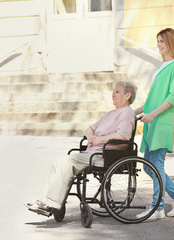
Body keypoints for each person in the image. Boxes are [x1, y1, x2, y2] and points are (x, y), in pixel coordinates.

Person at [25, 81, 137, 215]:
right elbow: (89, 129)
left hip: (105, 156)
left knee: (68, 161)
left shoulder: (126, 113)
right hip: (93, 153)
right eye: (113, 91)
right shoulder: (111, 113)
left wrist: (99, 140)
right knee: (58, 161)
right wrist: (90, 138)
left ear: (127, 95)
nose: (113, 94)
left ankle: (49, 203)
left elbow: (122, 136)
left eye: (117, 92)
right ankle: (49, 202)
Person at [135, 28, 174, 220]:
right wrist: (133, 111)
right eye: (157, 41)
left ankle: (158, 209)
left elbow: (172, 98)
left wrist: (152, 115)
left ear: (171, 43)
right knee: (148, 166)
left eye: (162, 41)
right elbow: (153, 99)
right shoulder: (162, 66)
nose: (158, 45)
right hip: (154, 120)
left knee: (156, 164)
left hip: (162, 121)